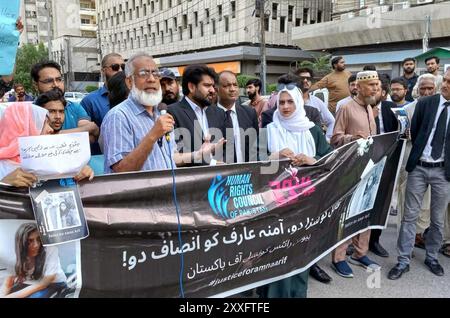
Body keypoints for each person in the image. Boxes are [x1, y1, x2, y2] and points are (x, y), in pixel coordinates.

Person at [259, 84, 333, 298]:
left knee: (300, 250)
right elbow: (256, 163)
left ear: (299, 103)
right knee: (274, 253)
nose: (285, 106)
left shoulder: (312, 130)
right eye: (281, 102)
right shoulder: (269, 130)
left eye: (290, 101)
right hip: (275, 204)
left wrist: (313, 160)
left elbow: (330, 161)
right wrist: (276, 156)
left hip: (306, 203)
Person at [388, 69, 450, 280]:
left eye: (449, 83)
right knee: (409, 217)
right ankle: (403, 260)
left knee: (438, 219)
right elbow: (411, 133)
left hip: (443, 171)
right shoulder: (426, 103)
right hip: (419, 168)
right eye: (446, 80)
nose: (445, 85)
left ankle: (432, 257)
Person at [330, 71, 381, 278]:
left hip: (369, 168)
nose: (375, 89)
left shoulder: (370, 106)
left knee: (365, 211)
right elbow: (335, 138)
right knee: (347, 213)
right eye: (371, 85)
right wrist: (352, 138)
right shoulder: (345, 107)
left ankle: (360, 253)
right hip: (350, 169)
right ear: (358, 87)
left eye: (377, 85)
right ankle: (339, 258)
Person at [100, 53, 179, 174]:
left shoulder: (161, 113)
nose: (151, 79)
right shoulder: (118, 116)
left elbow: (171, 158)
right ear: (129, 82)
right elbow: (121, 171)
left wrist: (200, 154)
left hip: (168, 191)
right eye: (143, 74)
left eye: (155, 74)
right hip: (138, 193)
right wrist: (152, 136)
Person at [0, 103, 94, 187]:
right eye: (42, 124)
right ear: (23, 129)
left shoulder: (53, 158)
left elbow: (76, 174)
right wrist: (4, 183)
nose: (51, 129)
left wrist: (84, 172)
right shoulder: (2, 167)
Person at [168, 64, 227, 167]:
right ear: (191, 87)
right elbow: (173, 156)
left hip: (219, 179)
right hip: (190, 180)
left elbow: (225, 147)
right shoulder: (172, 112)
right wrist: (211, 163)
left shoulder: (218, 112)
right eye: (207, 85)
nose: (212, 90)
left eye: (213, 86)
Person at [30, 61, 99, 143]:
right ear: (35, 85)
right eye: (48, 81)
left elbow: (90, 136)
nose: (56, 84)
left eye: (59, 79)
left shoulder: (74, 107)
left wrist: (48, 136)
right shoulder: (28, 113)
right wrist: (80, 132)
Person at [0, 223, 67, 298]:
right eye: (30, 241)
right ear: (21, 243)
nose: (36, 245)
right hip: (31, 283)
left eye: (38, 240)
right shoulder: (14, 259)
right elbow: (7, 284)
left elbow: (44, 284)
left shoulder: (51, 250)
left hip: (54, 283)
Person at [216, 71, 259, 163]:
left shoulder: (250, 112)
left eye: (235, 85)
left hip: (247, 172)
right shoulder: (208, 115)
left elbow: (255, 145)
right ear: (217, 89)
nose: (232, 89)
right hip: (220, 175)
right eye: (227, 85)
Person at [295, 67, 335, 140]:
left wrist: (326, 139)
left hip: (314, 144)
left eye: (308, 78)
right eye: (302, 78)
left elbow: (331, 121)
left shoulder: (317, 102)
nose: (305, 80)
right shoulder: (289, 101)